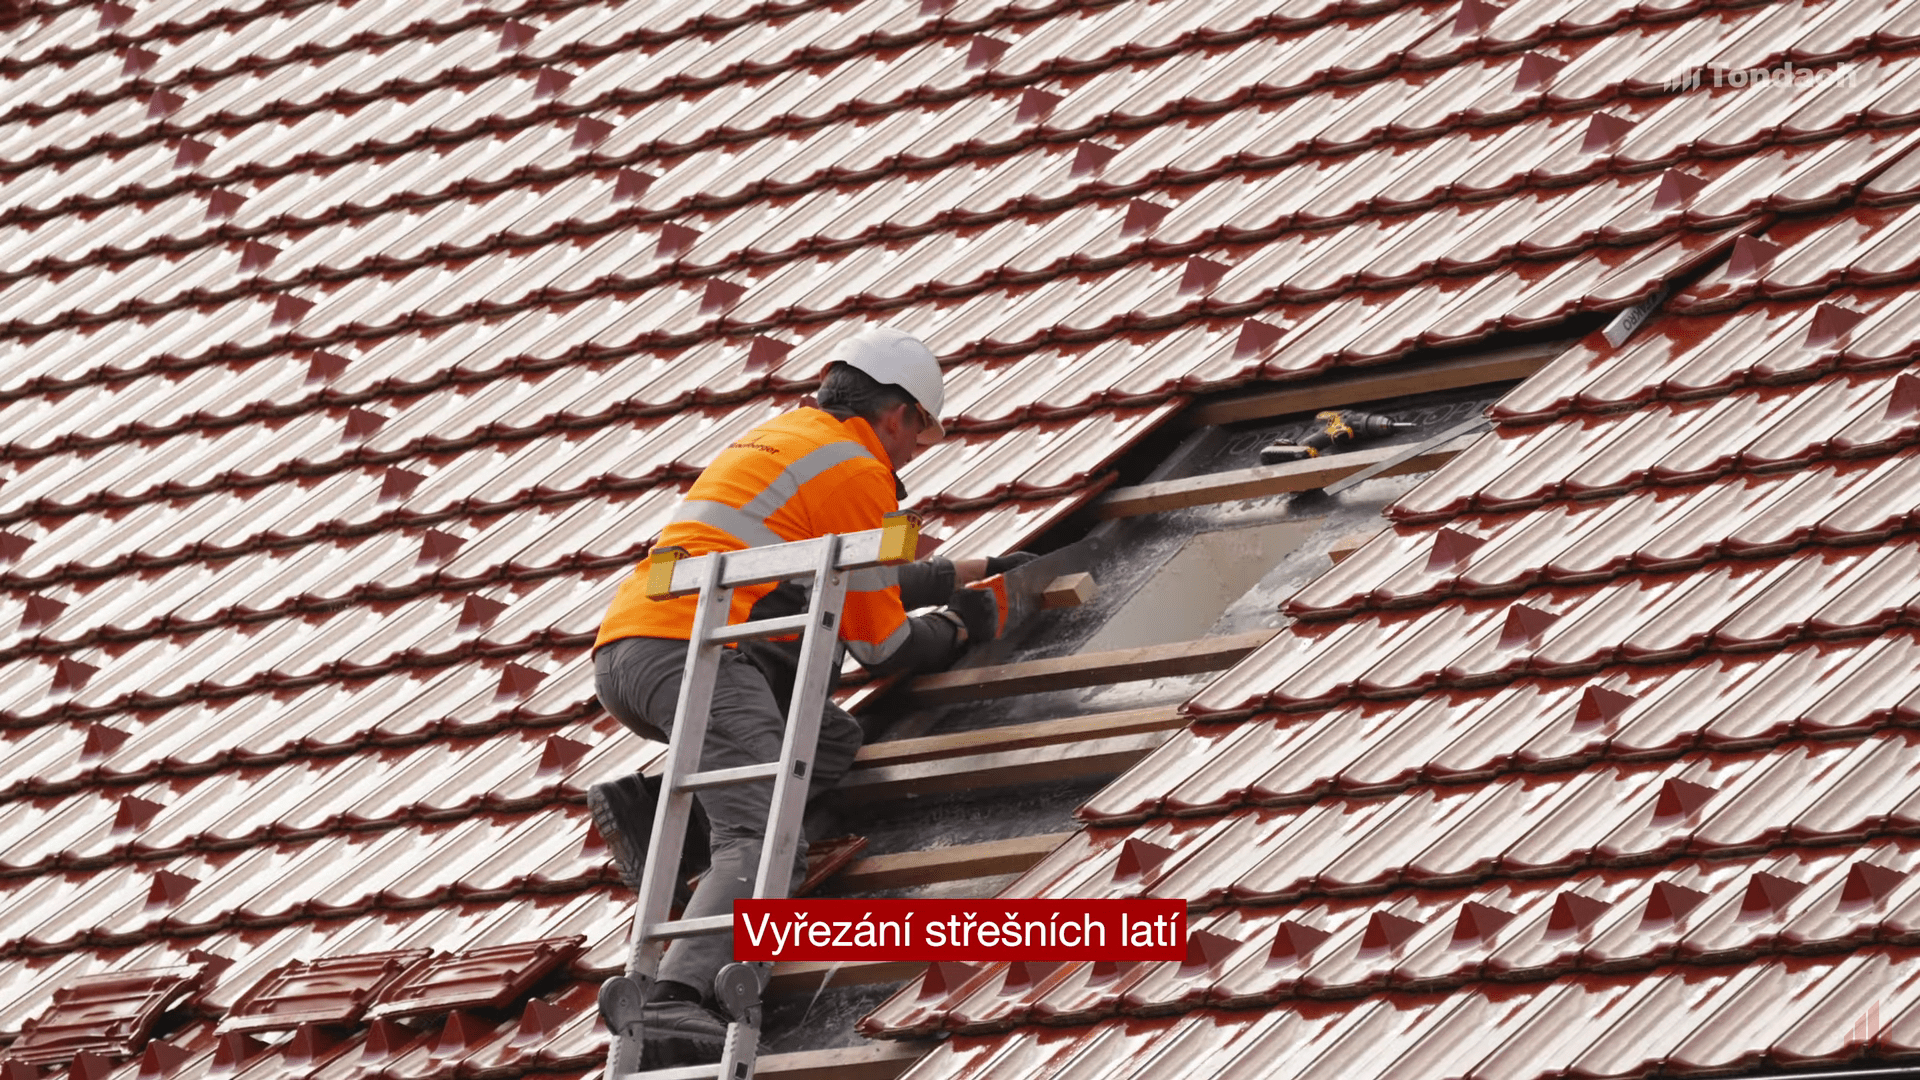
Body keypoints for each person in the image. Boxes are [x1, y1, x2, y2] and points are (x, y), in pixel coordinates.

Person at [587, 327, 1031, 1067]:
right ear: (896, 414)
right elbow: (882, 643)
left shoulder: (789, 440)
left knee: (823, 741)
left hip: (635, 651)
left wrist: (977, 567)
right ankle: (680, 1001)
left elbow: (853, 571)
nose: (919, 449)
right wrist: (963, 626)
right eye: (922, 429)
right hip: (703, 657)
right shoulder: (859, 471)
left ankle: (658, 811)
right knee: (766, 835)